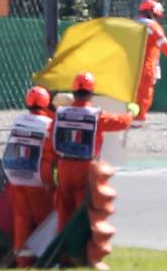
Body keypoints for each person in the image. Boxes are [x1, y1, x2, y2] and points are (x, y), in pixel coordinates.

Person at [52, 72, 137, 231]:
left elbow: (51, 134)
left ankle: (62, 252)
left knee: (63, 213)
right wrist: (132, 112)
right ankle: (80, 252)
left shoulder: (61, 113)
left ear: (74, 92)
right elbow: (121, 122)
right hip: (85, 168)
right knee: (83, 214)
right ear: (91, 94)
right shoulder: (96, 115)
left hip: (63, 166)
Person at [1, 85, 56, 268]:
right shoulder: (48, 125)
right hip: (37, 179)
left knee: (22, 221)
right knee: (43, 221)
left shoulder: (18, 120)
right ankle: (45, 259)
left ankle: (22, 262)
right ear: (46, 103)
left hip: (15, 176)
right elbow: (50, 153)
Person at [133, 0, 167, 124]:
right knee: (145, 94)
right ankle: (138, 119)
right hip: (146, 67)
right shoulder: (153, 26)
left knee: (132, 93)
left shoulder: (132, 24)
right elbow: (163, 44)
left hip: (130, 66)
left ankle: (130, 117)